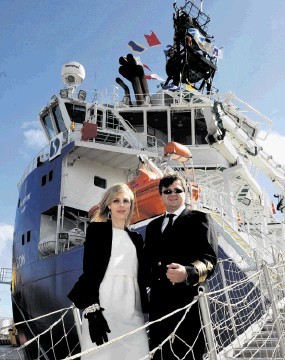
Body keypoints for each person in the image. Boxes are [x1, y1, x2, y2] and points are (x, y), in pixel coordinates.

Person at [67, 183, 149, 359]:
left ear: (131, 206)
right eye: (116, 201)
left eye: (125, 201)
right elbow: (89, 271)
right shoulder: (97, 231)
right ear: (108, 205)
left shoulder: (136, 238)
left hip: (132, 306)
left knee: (138, 352)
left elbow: (143, 273)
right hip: (103, 304)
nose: (121, 205)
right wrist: (92, 309)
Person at [144, 173, 217, 360]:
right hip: (159, 307)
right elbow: (147, 263)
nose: (172, 194)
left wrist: (188, 272)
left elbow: (209, 260)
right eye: (167, 191)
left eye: (178, 190)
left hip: (188, 305)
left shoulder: (199, 219)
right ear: (161, 195)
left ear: (185, 193)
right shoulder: (153, 227)